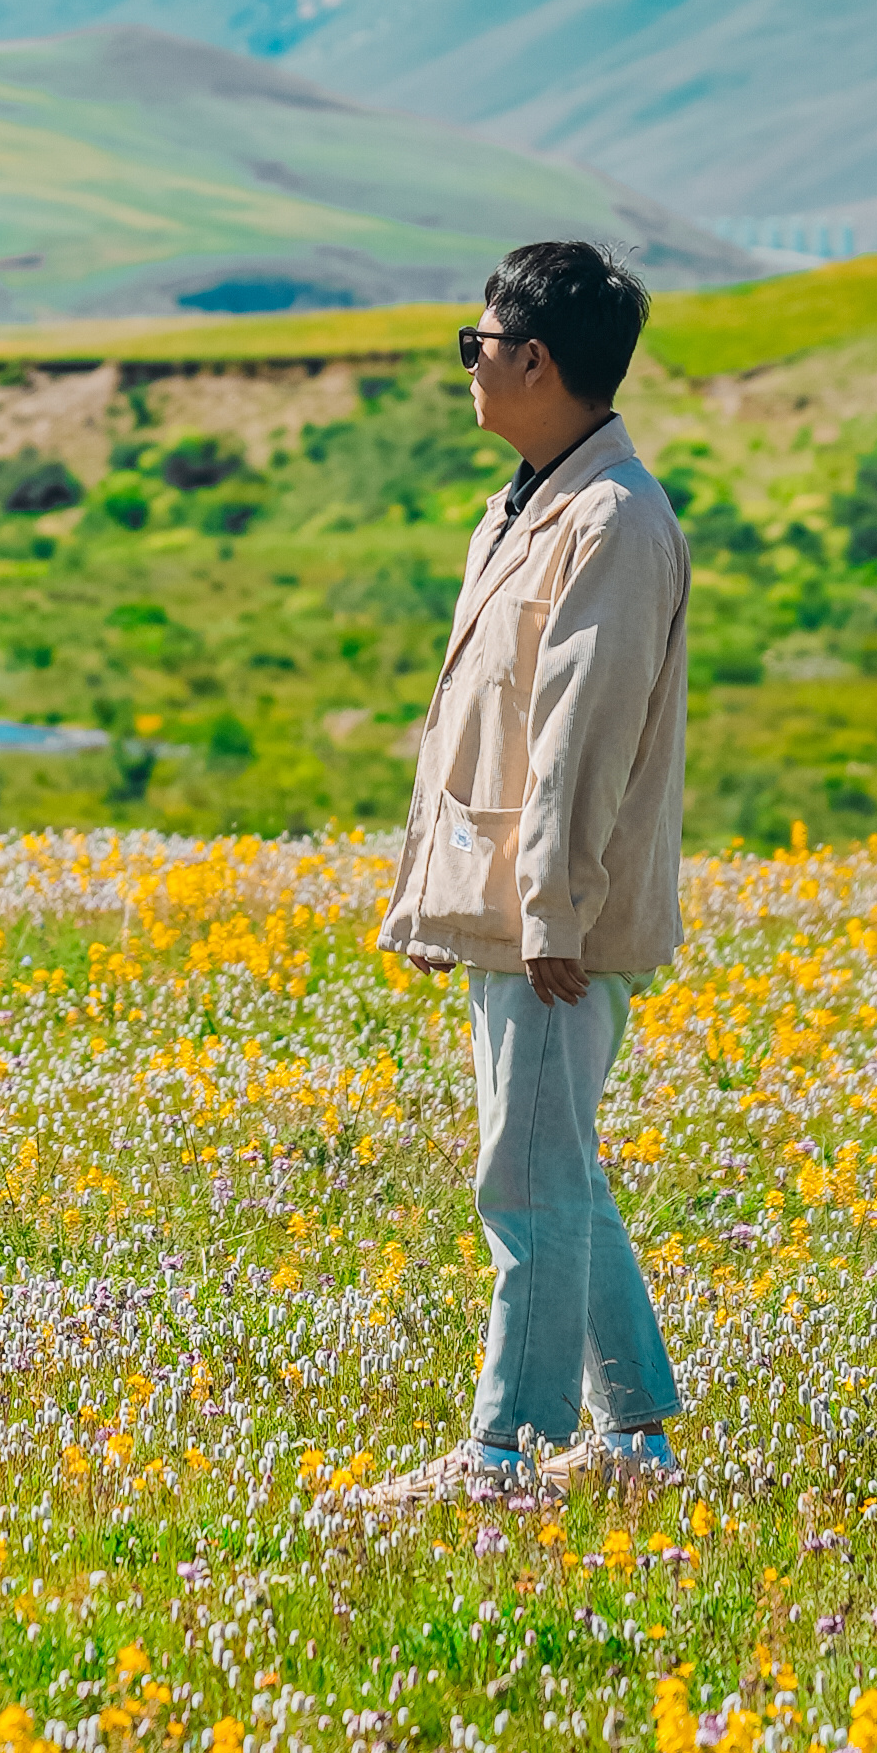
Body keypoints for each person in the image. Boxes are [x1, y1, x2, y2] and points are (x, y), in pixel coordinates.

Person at [378, 239, 690, 1500]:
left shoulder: (612, 520)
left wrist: (551, 910)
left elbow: (584, 735)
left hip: (552, 918)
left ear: (536, 359)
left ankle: (503, 1450)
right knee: (560, 1168)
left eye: (480, 343)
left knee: (525, 1179)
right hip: (510, 901)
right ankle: (636, 1441)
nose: (470, 365)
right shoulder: (521, 503)